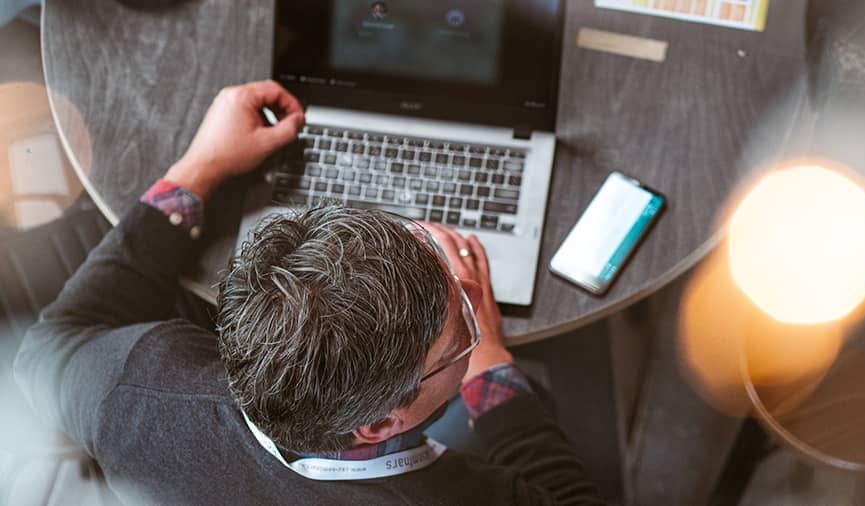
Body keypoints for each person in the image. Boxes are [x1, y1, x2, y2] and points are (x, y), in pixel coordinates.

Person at [14, 80, 604, 504]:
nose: (471, 287)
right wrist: (492, 363)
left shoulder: (131, 390)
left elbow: (48, 345)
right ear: (379, 424)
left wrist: (199, 168)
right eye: (461, 335)